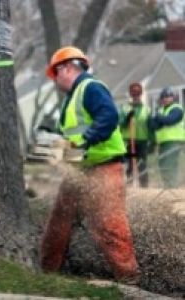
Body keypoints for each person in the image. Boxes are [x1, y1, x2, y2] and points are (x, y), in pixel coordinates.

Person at [41, 46, 140, 283]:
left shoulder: (90, 88)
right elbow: (74, 134)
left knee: (110, 225)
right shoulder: (73, 97)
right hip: (79, 169)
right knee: (59, 222)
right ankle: (47, 274)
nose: (56, 81)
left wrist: (84, 141)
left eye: (56, 75)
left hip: (104, 167)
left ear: (66, 68)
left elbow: (108, 117)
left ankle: (129, 281)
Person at [119, 82, 153, 187]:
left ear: (141, 93)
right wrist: (126, 118)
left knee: (142, 164)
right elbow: (120, 123)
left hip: (142, 140)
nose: (136, 95)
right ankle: (129, 185)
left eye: (138, 93)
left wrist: (152, 141)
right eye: (134, 93)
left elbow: (150, 126)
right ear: (131, 94)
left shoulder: (146, 109)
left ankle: (144, 186)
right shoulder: (125, 108)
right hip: (129, 141)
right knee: (130, 164)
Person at [152, 87, 185, 188]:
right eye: (163, 97)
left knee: (169, 164)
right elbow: (153, 126)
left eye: (168, 96)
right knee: (162, 164)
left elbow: (170, 120)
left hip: (174, 141)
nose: (165, 99)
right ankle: (168, 186)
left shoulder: (177, 108)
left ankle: (172, 187)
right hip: (163, 142)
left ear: (173, 97)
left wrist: (159, 118)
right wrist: (161, 119)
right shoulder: (161, 110)